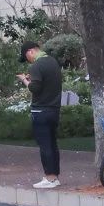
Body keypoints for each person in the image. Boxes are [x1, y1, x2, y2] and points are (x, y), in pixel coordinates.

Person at [19, 41, 63, 189]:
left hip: (40, 111)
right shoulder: (53, 62)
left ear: (31, 51)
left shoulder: (36, 66)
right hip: (54, 109)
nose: (28, 60)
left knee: (45, 145)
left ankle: (49, 177)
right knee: (52, 143)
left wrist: (25, 80)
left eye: (26, 57)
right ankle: (55, 176)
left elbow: (35, 88)